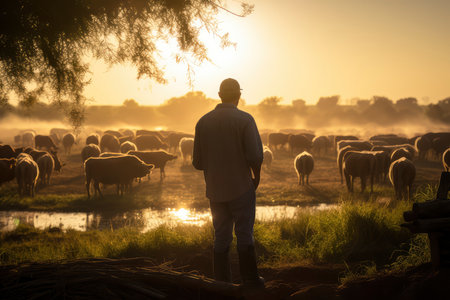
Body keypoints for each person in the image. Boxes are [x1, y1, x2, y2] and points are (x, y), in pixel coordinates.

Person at [192, 78, 264, 288]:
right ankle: (250, 280)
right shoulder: (245, 120)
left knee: (221, 235)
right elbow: (255, 156)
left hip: (215, 190)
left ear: (219, 95)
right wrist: (256, 177)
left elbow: (197, 163)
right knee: (244, 233)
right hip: (241, 187)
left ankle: (222, 283)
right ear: (238, 96)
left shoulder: (203, 122)